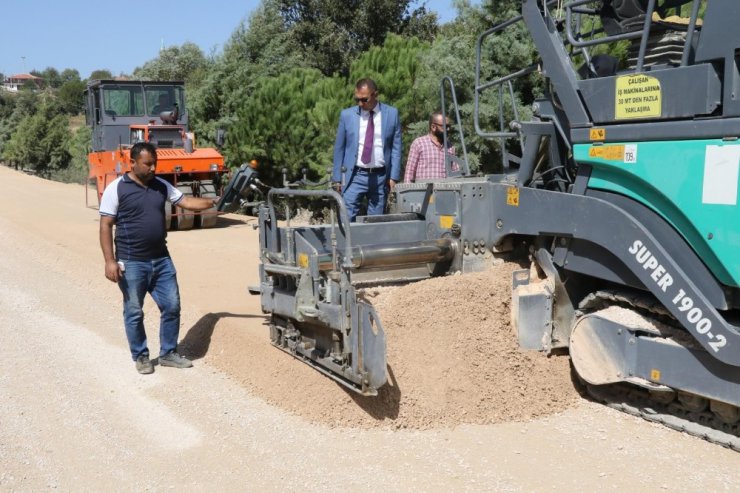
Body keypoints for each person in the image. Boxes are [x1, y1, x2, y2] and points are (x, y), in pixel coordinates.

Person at [99, 142, 217, 374]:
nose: (153, 168)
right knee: (134, 311)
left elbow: (186, 202)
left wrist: (213, 203)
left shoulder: (161, 186)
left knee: (172, 306)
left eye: (155, 164)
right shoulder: (117, 188)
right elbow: (105, 225)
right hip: (131, 262)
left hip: (161, 260)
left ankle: (168, 353)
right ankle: (141, 356)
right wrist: (109, 261)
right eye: (148, 164)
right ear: (132, 163)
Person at [332, 78, 402, 221]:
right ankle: (347, 244)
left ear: (375, 95)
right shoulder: (347, 115)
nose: (360, 103)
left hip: (380, 177)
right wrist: (337, 178)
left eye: (364, 99)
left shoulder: (392, 114)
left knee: (375, 222)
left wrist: (393, 176)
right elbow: (339, 148)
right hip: (354, 176)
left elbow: (396, 147)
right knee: (346, 217)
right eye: (357, 99)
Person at [404, 112, 457, 183]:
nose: (448, 129)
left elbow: (455, 172)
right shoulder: (419, 143)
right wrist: (408, 192)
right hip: (423, 192)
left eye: (448, 126)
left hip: (444, 192)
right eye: (444, 126)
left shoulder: (450, 146)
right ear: (433, 127)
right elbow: (409, 172)